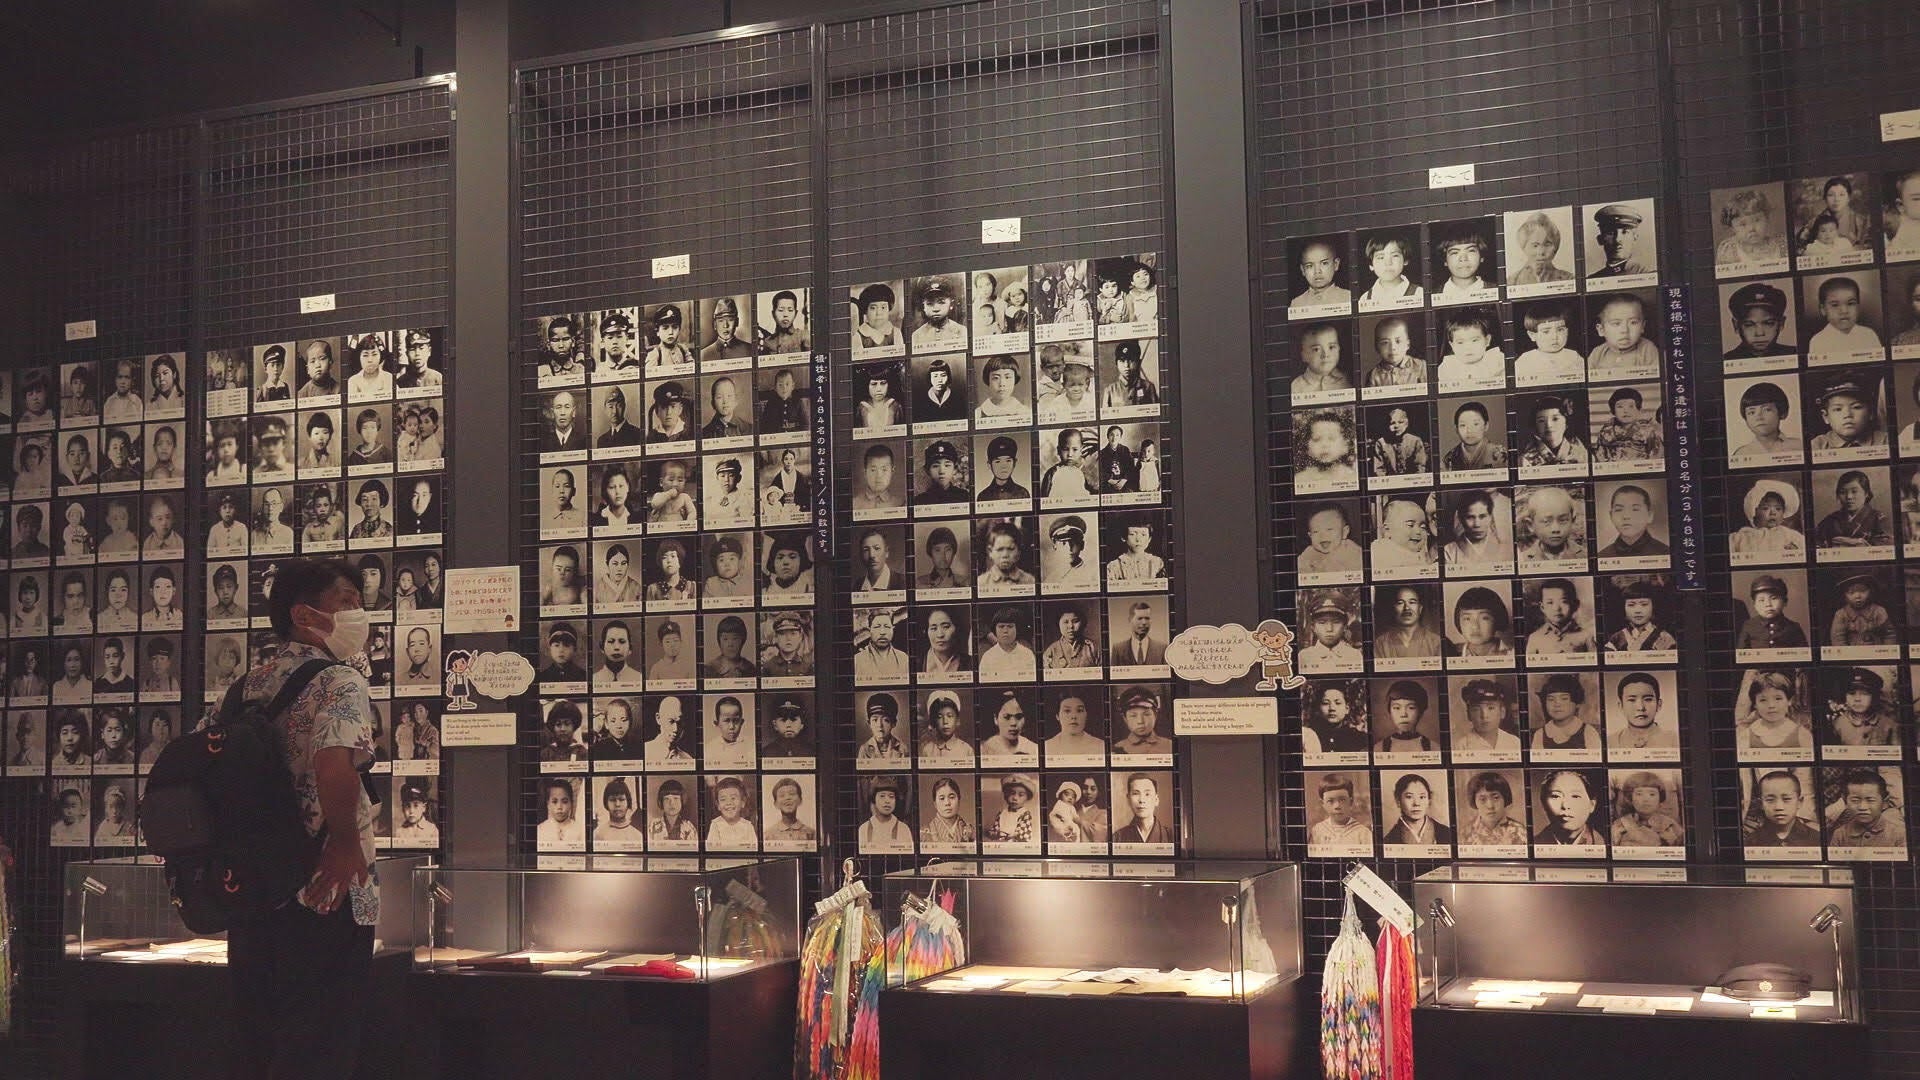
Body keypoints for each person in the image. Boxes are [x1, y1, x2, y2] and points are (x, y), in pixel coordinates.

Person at [222, 559, 379, 1077]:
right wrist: (345, 845)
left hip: (252, 887)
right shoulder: (340, 680)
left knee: (257, 1039)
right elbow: (335, 764)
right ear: (304, 614)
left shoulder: (244, 687)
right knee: (321, 1041)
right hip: (322, 885)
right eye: (346, 600)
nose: (358, 612)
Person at [1825, 769, 1905, 849]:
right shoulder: (1839, 835)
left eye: (1870, 800)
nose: (1862, 807)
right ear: (1845, 801)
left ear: (1884, 802)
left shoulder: (1899, 834)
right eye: (1855, 800)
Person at [1814, 469, 1892, 551]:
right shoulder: (1830, 520)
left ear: (1866, 493)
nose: (1849, 497)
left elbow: (1886, 549)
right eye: (1843, 492)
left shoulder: (1880, 519)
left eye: (1854, 491)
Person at [1586, 293, 1660, 378]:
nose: (1625, 330)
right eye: (1616, 323)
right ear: (1601, 330)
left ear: (1642, 327)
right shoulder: (1597, 353)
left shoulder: (1647, 350)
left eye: (1633, 322)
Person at [1744, 770, 1821, 847]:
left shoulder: (1816, 839)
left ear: (1799, 802)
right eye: (1770, 800)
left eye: (1787, 799)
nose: (1779, 807)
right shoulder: (1751, 842)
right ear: (1761, 804)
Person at [1723, 282, 1796, 362]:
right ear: (1736, 326)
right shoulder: (1726, 360)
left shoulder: (1794, 354)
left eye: (1769, 323)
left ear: (1781, 323)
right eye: (1749, 325)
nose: (1760, 333)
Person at [1808, 376, 1885, 453]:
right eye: (1838, 409)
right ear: (1826, 417)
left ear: (1871, 413)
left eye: (1856, 407)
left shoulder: (1884, 441)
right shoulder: (1816, 446)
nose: (1847, 415)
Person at [1441, 489, 1511, 573]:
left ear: (1490, 517)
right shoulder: (1448, 551)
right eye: (1470, 517)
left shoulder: (1508, 549)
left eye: (1482, 516)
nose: (1477, 524)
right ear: (1461, 518)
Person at [1826, 668, 1897, 748]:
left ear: (1874, 696)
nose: (1857, 699)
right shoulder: (1838, 724)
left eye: (1864, 693)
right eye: (1851, 693)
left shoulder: (1888, 725)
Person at [1736, 574, 1808, 653]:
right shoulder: (1749, 626)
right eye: (1761, 600)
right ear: (1755, 605)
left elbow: (1803, 654)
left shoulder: (1793, 627)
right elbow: (1741, 654)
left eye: (1774, 598)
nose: (1768, 604)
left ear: (1785, 602)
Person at [1435, 309, 1505, 389]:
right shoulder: (1448, 366)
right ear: (1452, 345)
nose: (1468, 348)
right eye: (1460, 342)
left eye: (1474, 340)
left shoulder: (1496, 360)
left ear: (1487, 340)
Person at [1525, 578, 1594, 660]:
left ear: (1575, 605)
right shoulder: (1535, 638)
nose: (1556, 608)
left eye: (1564, 601)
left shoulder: (1586, 636)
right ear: (1542, 607)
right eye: (1550, 602)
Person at [1605, 580, 1678, 655]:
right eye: (1631, 605)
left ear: (1653, 607)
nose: (1638, 611)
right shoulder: (1617, 638)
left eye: (1644, 604)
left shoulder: (1664, 638)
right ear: (1624, 608)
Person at [1611, 772, 1683, 848]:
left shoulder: (1669, 825)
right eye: (1639, 794)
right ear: (1630, 798)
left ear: (1660, 799)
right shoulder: (1621, 824)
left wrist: (1673, 842)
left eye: (1652, 794)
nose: (1646, 799)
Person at [1535, 769, 1604, 847]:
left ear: (1592, 805)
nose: (1565, 805)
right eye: (1556, 796)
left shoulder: (1604, 842)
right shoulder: (1534, 842)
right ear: (1544, 803)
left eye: (1575, 796)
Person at [1610, 672, 1675, 751]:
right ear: (1621, 706)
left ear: (1659, 704)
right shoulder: (1610, 742)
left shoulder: (1674, 740)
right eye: (1632, 700)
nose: (1640, 707)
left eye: (1648, 699)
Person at [1460, 772, 1528, 847]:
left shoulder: (1521, 832)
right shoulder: (1465, 834)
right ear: (1474, 802)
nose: (1490, 806)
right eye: (1482, 799)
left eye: (1496, 798)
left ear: (1505, 798)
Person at [1374, 586, 1442, 661]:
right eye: (1400, 603)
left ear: (1420, 609)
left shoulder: (1436, 642)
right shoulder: (1381, 643)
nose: (1406, 608)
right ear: (1394, 609)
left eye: (1412, 602)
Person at [1383, 773, 1452, 846]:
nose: (1416, 803)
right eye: (1409, 797)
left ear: (1429, 799)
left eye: (1422, 797)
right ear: (1398, 800)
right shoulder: (1389, 840)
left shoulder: (1446, 833)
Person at [1829, 575, 1894, 649]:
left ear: (1870, 591)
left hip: (1877, 652)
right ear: (1845, 595)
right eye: (1851, 592)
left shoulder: (1879, 611)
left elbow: (1889, 635)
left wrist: (1887, 651)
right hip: (1851, 653)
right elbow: (1838, 640)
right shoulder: (1841, 614)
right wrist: (1846, 654)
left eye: (1863, 591)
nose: (1857, 596)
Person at [1447, 586, 1512, 660]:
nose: (1475, 626)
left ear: (1497, 619)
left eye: (1484, 618)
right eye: (1467, 619)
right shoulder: (1451, 653)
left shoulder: (1512, 653)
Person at [1308, 773, 1371, 848]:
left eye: (1342, 800)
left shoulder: (1363, 833)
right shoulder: (1317, 831)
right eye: (1330, 801)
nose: (1337, 806)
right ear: (1322, 803)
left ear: (1351, 802)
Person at [1441, 400, 1506, 474]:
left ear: (1486, 426)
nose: (1469, 430)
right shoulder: (1449, 459)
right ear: (1456, 429)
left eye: (1475, 424)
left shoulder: (1500, 455)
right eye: (1463, 425)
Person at [1433, 224, 1493, 301]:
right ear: (1445, 261)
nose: (1463, 258)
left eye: (1471, 251)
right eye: (1454, 253)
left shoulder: (1497, 290)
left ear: (1481, 257)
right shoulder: (1432, 296)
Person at [1375, 680, 1436, 755]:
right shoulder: (1377, 749)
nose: (1403, 714)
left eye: (1411, 707)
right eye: (1397, 708)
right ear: (1390, 711)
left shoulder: (1434, 748)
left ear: (1421, 712)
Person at [1290, 324, 1350, 398]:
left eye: (1331, 347)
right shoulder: (1296, 387)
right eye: (1316, 349)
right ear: (1304, 356)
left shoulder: (1347, 381)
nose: (1325, 355)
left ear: (1339, 349)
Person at [1290, 238, 1350, 310]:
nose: (1317, 271)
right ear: (1303, 270)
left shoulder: (1348, 297)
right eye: (1310, 266)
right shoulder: (1296, 303)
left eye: (1324, 263)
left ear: (1336, 264)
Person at [979, 690, 1039, 761]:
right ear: (996, 719)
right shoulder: (984, 750)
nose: (1013, 723)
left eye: (1019, 717)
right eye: (1006, 717)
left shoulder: (1033, 749)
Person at [1114, 773, 1172, 844]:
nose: (1141, 800)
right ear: (1128, 799)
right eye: (1135, 793)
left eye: (1147, 794)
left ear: (1156, 800)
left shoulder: (1171, 836)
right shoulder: (1117, 837)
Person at [854, 610, 909, 683]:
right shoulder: (857, 660)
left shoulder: (903, 658)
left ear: (892, 629)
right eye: (877, 627)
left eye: (887, 627)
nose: (882, 632)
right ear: (870, 630)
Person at [705, 776, 758, 850]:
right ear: (718, 805)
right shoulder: (715, 825)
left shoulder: (748, 826)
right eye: (723, 799)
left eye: (733, 798)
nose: (728, 803)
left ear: (743, 802)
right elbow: (711, 849)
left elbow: (754, 848)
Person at [859, 777, 914, 850]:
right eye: (882, 796)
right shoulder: (863, 829)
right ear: (874, 799)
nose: (887, 801)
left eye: (891, 796)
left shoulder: (904, 829)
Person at [1109, 601, 1167, 667]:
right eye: (1139, 618)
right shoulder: (1118, 649)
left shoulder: (1162, 649)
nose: (1144, 622)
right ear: (1130, 620)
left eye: (1147, 618)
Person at [1104, 339, 1159, 409]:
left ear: (1138, 362)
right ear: (1116, 363)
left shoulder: (1148, 387)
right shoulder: (1110, 390)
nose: (1126, 365)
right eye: (1122, 361)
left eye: (1131, 360)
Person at [764, 777, 818, 845]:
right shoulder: (768, 835)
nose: (787, 798)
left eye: (792, 794)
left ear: (800, 800)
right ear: (776, 804)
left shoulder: (812, 834)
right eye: (782, 795)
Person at [923, 776, 976, 846]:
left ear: (959, 800)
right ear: (935, 804)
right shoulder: (924, 832)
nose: (947, 803)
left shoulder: (971, 831)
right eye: (942, 798)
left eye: (952, 797)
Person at [987, 773, 1038, 844]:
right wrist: (994, 833)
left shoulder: (1024, 814)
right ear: (1006, 795)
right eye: (1012, 793)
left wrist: (1011, 836)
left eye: (1021, 795)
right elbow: (994, 830)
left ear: (1027, 798)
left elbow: (1024, 835)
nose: (1015, 798)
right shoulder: (1002, 813)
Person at [644, 305, 696, 370]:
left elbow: (692, 369)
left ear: (679, 329)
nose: (670, 332)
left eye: (675, 327)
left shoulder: (683, 349)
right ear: (657, 332)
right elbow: (650, 374)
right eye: (665, 328)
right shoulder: (655, 354)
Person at [537, 778, 583, 848]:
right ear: (548, 804)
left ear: (571, 803)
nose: (559, 807)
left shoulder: (580, 830)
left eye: (564, 802)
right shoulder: (540, 830)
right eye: (554, 802)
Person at [345, 334, 394, 401]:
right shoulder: (352, 381)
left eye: (374, 354)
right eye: (365, 355)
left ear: (381, 356)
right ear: (359, 357)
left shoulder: (389, 378)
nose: (370, 360)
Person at [391, 780, 440, 847]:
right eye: (407, 806)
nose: (411, 811)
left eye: (416, 805)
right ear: (402, 809)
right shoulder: (399, 832)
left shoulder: (432, 830)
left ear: (424, 808)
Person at [650, 778, 697, 843]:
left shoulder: (689, 828)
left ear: (682, 801)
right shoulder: (652, 826)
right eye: (666, 799)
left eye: (676, 798)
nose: (671, 803)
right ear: (661, 802)